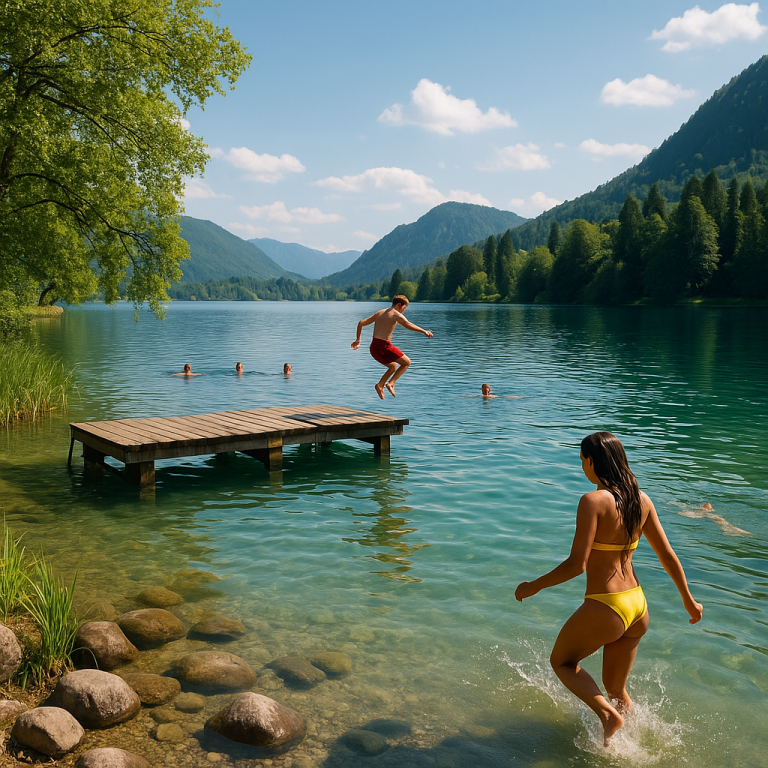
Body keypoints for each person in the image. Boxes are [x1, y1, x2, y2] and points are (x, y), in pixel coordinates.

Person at [515, 432, 702, 746]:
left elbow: (577, 564)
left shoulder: (593, 501)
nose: (582, 469)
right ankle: (628, 748)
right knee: (616, 691)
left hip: (607, 604)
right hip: (637, 606)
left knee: (562, 662)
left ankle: (606, 716)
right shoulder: (641, 500)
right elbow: (667, 555)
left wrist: (533, 587)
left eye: (582, 462)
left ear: (592, 461)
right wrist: (689, 600)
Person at [351, 295, 433, 399]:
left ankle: (380, 385)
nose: (404, 310)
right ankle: (390, 383)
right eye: (404, 308)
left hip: (374, 348)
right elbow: (408, 324)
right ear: (399, 305)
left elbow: (361, 323)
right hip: (384, 347)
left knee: (393, 366)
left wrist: (358, 340)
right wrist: (424, 331)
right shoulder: (396, 314)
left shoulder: (380, 312)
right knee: (407, 362)